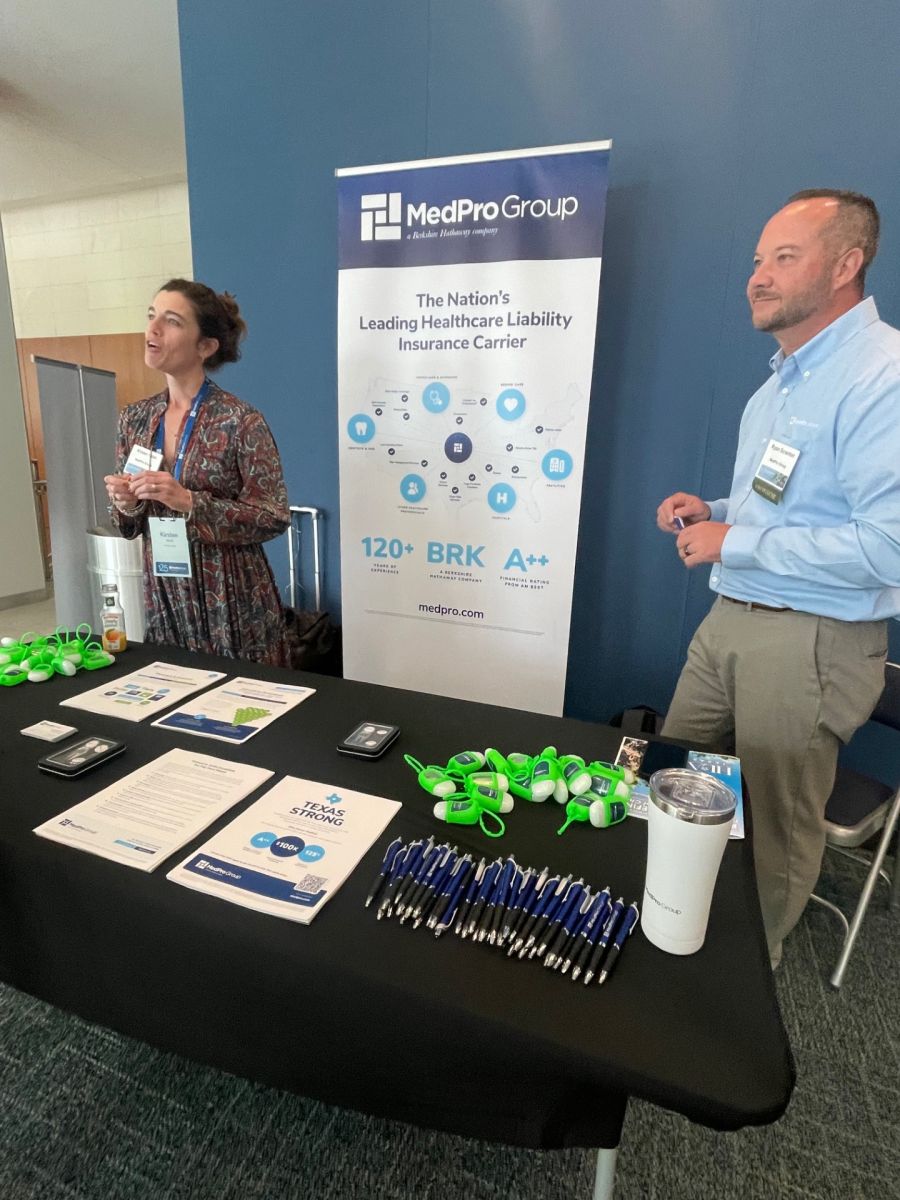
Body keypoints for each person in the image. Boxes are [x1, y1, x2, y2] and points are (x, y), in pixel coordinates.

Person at [656, 190, 900, 966]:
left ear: (847, 264)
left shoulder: (884, 377)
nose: (758, 277)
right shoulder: (778, 389)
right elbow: (783, 503)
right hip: (731, 619)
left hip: (812, 641)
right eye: (758, 260)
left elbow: (888, 547)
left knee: (776, 828)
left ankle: (747, 982)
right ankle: (665, 926)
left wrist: (737, 541)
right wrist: (717, 512)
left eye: (784, 258)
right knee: (671, 778)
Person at [104, 278, 290, 666]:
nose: (153, 328)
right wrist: (126, 503)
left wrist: (190, 502)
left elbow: (273, 516)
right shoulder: (135, 419)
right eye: (152, 315)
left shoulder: (240, 421)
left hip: (232, 601)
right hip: (166, 599)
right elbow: (129, 526)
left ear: (205, 346)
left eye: (172, 321)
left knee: (241, 697)